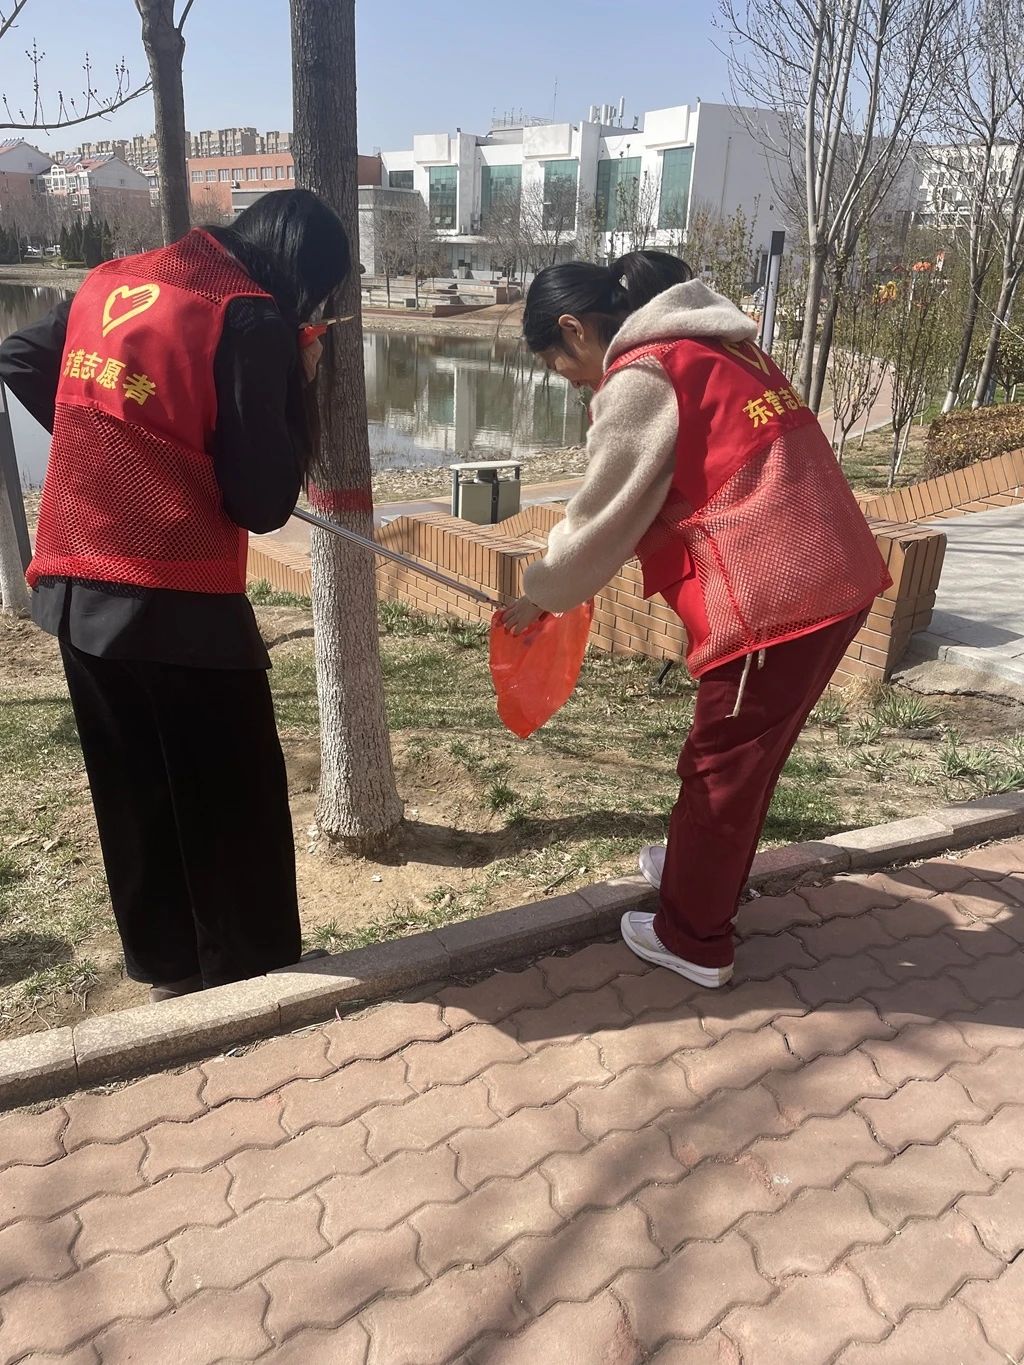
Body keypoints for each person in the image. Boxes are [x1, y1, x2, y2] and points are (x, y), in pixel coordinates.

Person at [504, 251, 890, 988]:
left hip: (775, 601)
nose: (576, 382)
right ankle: (695, 871)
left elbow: (601, 517)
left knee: (720, 770)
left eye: (562, 367)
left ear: (574, 329)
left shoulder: (642, 374)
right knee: (746, 760)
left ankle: (694, 938)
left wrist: (542, 590)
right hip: (834, 573)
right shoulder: (722, 346)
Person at [0, 189, 349, 1002]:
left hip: (76, 584)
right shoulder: (251, 317)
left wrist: (115, 438)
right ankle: (250, 983)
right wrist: (295, 382)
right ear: (302, 276)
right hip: (177, 592)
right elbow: (261, 501)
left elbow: (19, 356)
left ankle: (171, 973)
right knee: (233, 797)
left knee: (135, 789)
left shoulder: (109, 280)